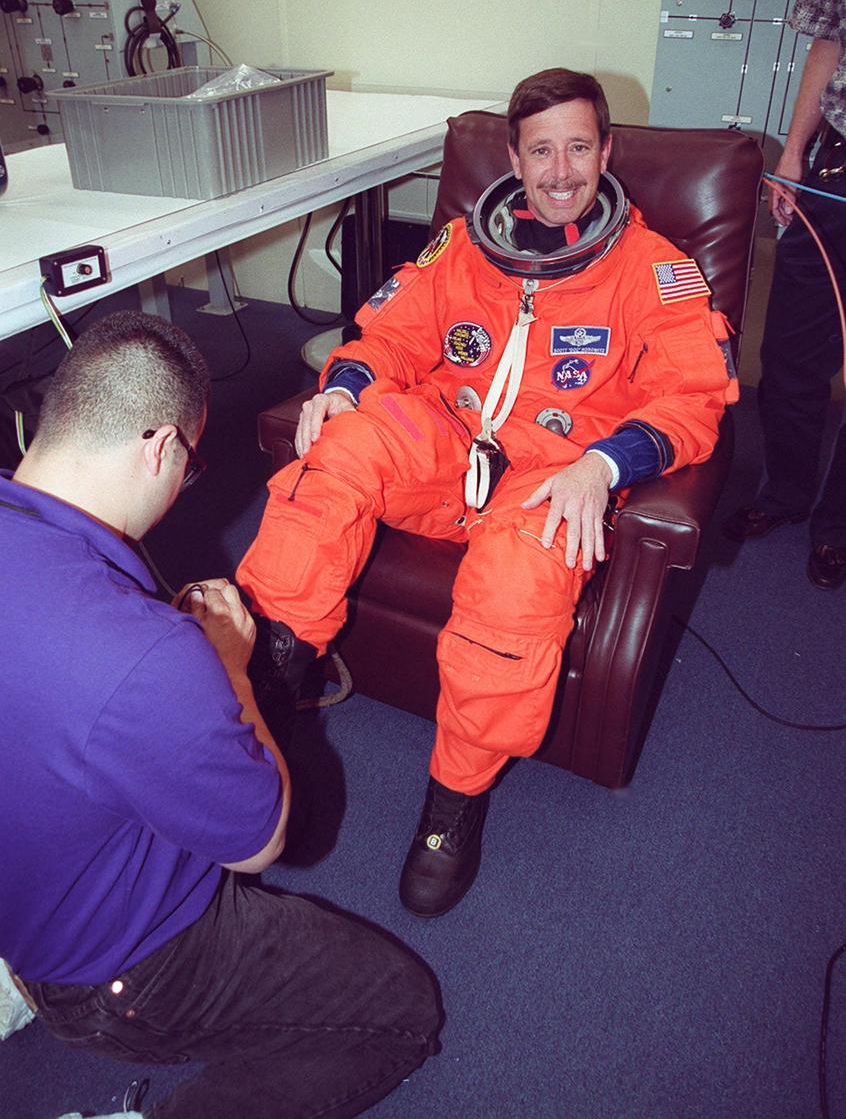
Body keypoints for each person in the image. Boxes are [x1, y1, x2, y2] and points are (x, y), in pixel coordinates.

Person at [238, 67, 738, 919]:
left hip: (554, 475)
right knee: (336, 456)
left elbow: (694, 397)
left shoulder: (656, 271)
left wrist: (604, 467)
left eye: (579, 146)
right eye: (540, 150)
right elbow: (386, 335)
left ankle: (453, 803)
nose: (559, 170)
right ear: (512, 156)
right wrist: (346, 386)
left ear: (607, 150)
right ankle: (263, 697)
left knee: (515, 587)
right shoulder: (465, 246)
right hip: (445, 447)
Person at [0, 311, 440, 1119]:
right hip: (117, 975)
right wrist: (224, 667)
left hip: (22, 895)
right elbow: (258, 841)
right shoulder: (151, 656)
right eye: (191, 464)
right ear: (160, 448)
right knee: (402, 1011)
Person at [723, 0, 846, 589]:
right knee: (792, 352)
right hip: (837, 162)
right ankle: (785, 495)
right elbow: (828, 37)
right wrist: (795, 152)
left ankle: (839, 527)